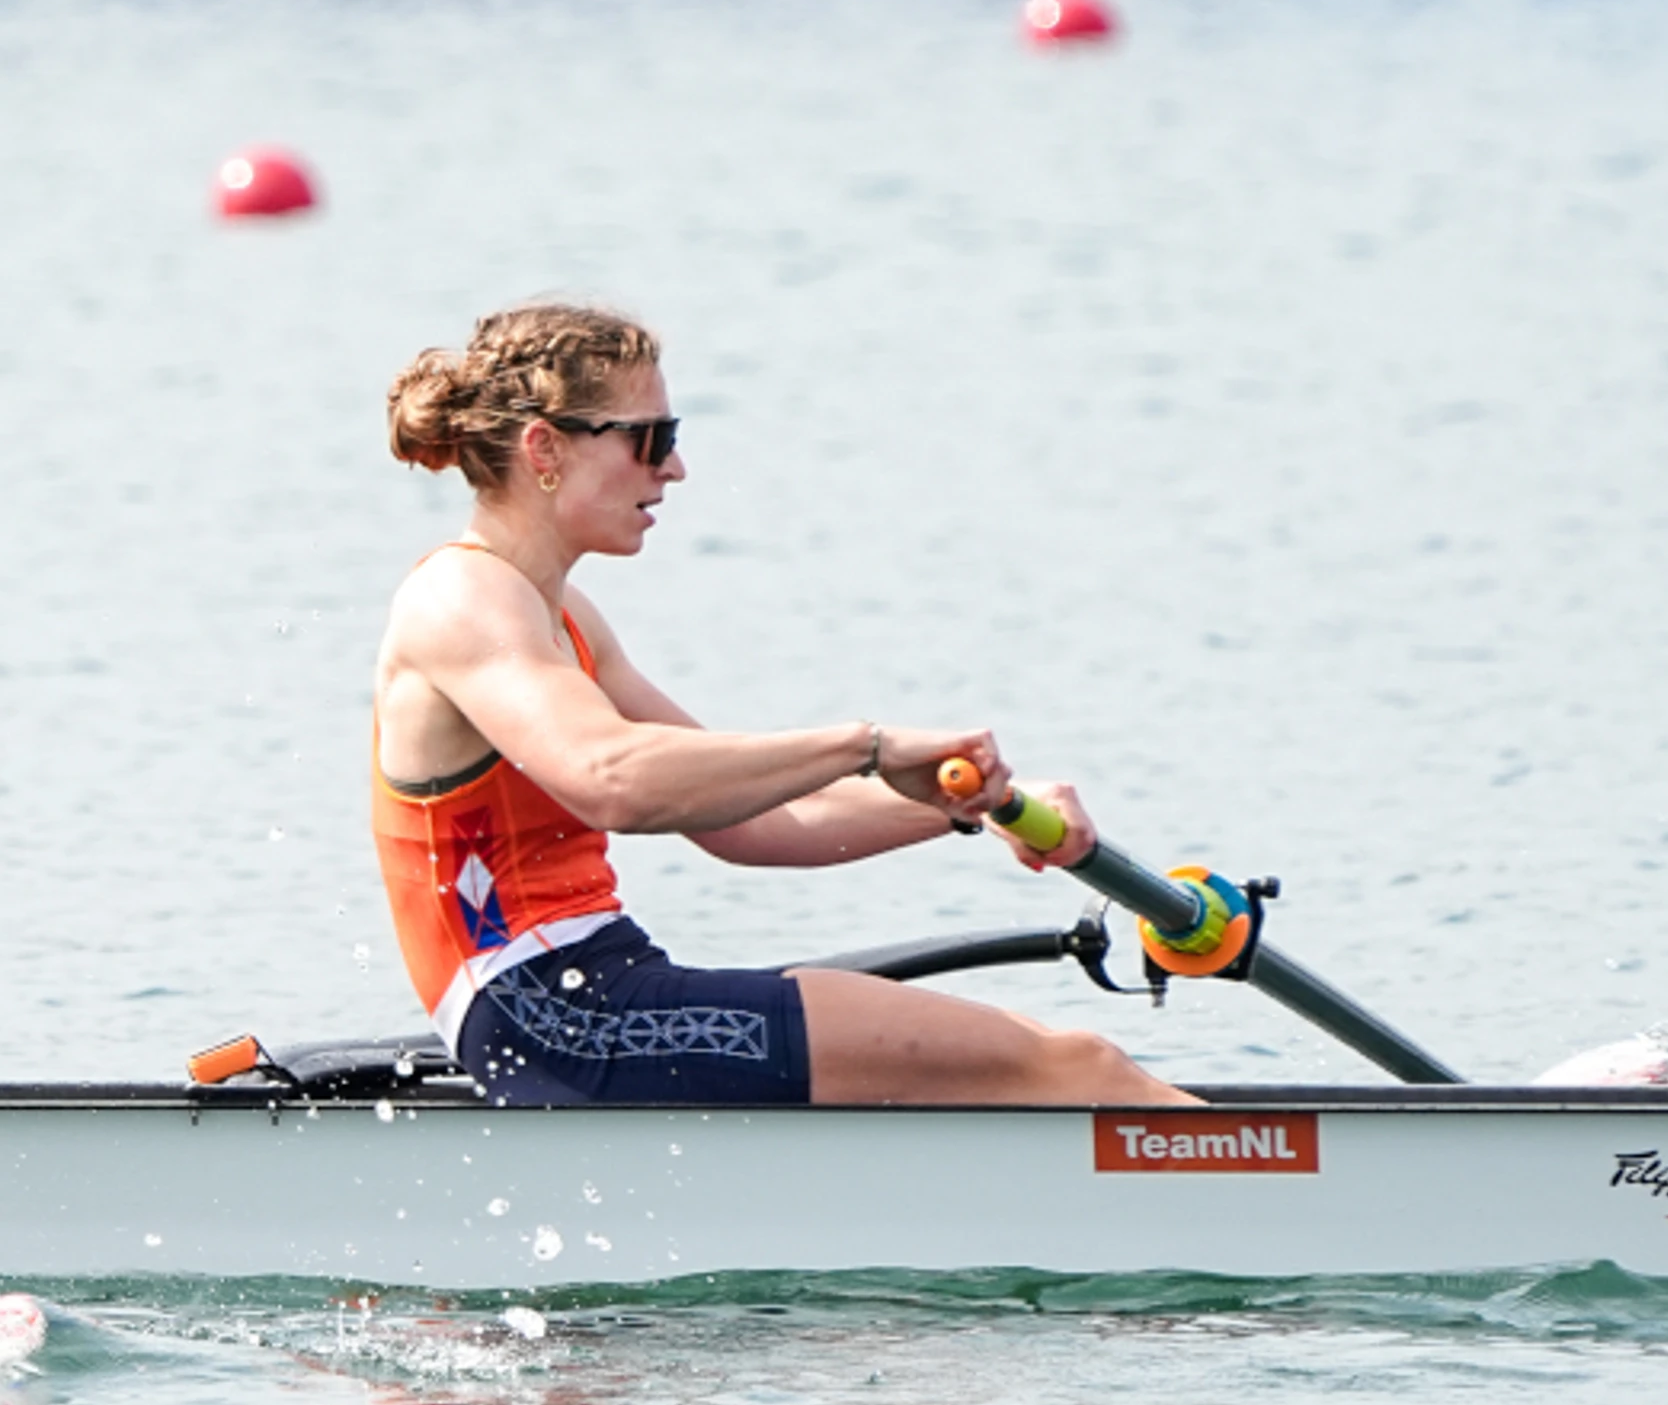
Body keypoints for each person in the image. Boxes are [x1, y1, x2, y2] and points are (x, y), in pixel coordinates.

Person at [372, 304, 1191, 1108]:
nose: (674, 469)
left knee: (1034, 1064)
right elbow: (611, 778)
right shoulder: (461, 597)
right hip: (548, 1016)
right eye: (650, 439)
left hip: (594, 994)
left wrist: (977, 804)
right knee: (1076, 1069)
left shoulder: (566, 618)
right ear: (544, 447)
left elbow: (751, 822)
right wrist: (866, 744)